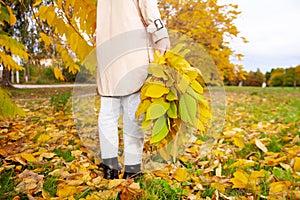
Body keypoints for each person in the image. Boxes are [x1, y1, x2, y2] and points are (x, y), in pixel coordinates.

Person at [96, 0, 170, 179]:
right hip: (132, 46)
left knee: (108, 110)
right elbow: (148, 5)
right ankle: (132, 168)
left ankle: (109, 166)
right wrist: (161, 34)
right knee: (133, 111)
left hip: (107, 48)